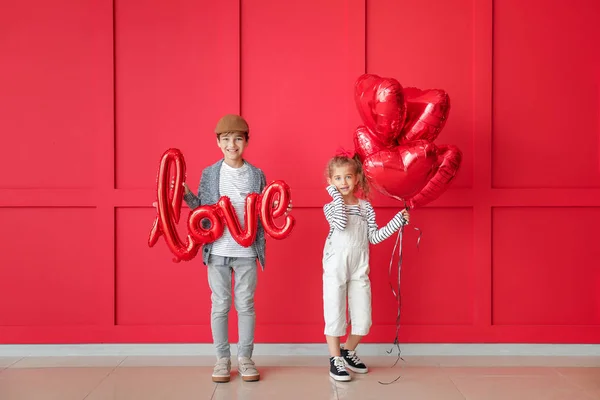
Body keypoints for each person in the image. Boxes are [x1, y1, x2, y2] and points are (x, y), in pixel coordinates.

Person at [183, 114, 268, 383]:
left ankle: (245, 358)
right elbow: (201, 210)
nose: (233, 144)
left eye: (238, 139)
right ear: (218, 142)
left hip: (247, 252)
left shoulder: (257, 174)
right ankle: (222, 359)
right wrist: (182, 195)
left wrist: (280, 208)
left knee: (245, 305)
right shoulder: (209, 173)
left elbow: (265, 211)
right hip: (217, 250)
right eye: (227, 139)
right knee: (219, 304)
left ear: (246, 142)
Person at [322, 152, 410, 381]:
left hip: (359, 267)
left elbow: (375, 237)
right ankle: (335, 359)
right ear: (330, 182)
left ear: (357, 178)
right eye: (338, 178)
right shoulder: (331, 207)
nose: (343, 183)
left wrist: (397, 221)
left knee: (363, 319)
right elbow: (340, 223)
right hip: (335, 266)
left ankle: (348, 351)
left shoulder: (365, 207)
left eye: (348, 177)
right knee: (335, 312)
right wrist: (335, 195)